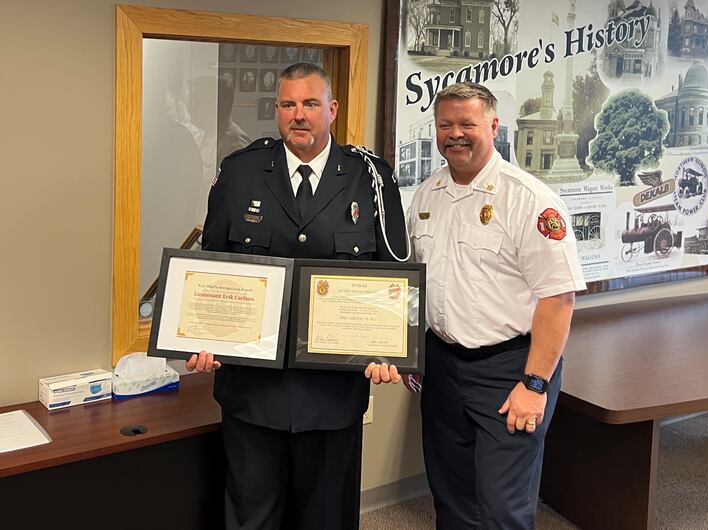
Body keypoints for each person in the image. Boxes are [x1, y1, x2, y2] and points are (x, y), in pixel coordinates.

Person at [186, 62, 407, 530]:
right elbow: (213, 268)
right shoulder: (240, 172)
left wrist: (390, 349)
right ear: (277, 110)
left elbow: (391, 275)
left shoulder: (370, 177)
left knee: (325, 518)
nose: (298, 115)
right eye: (288, 104)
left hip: (332, 394)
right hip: (252, 391)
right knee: (252, 517)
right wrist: (204, 336)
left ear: (332, 109)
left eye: (310, 103)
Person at [404, 82, 585, 529]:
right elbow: (414, 281)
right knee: (451, 496)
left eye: (467, 123)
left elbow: (559, 298)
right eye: (445, 125)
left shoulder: (529, 199)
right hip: (442, 367)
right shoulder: (427, 194)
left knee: (503, 507)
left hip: (509, 370)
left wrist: (535, 385)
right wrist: (407, 351)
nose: (455, 134)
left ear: (493, 126)